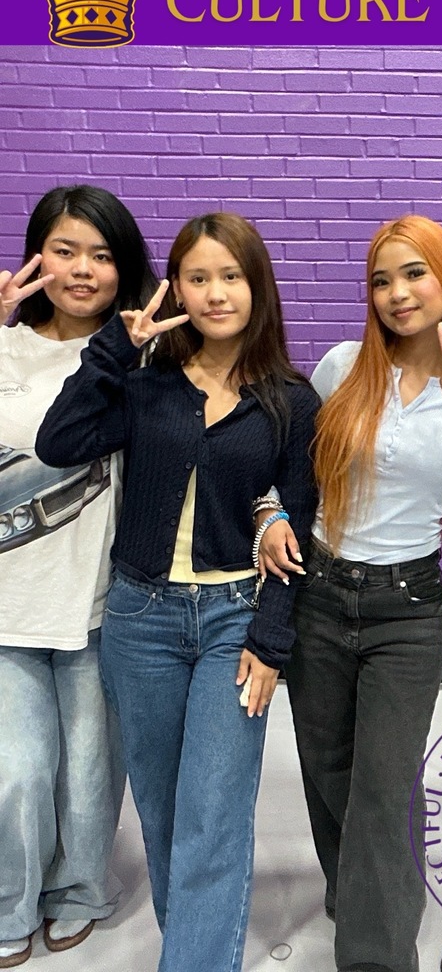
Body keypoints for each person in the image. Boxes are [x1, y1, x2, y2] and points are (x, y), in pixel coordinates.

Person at [35, 212, 320, 972]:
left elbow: (302, 530)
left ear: (258, 287)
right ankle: (197, 945)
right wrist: (113, 347)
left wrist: (270, 639)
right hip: (141, 619)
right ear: (174, 287)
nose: (216, 292)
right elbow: (57, 443)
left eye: (231, 276)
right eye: (198, 277)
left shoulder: (291, 400)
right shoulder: (145, 383)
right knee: (161, 812)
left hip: (234, 620)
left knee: (212, 814)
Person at [257, 215, 442, 972]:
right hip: (317, 591)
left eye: (413, 273)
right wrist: (270, 515)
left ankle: (376, 956)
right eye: (381, 279)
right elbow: (291, 469)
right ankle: (359, 895)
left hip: (405, 612)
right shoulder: (341, 367)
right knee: (327, 770)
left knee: (384, 788)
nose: (395, 292)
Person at [0, 184, 157, 968]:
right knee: (16, 774)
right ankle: (8, 904)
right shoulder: (2, 343)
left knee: (92, 775)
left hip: (103, 601)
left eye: (102, 255)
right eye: (65, 250)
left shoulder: (145, 352)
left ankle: (82, 891)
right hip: (8, 602)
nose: (83, 270)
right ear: (35, 254)